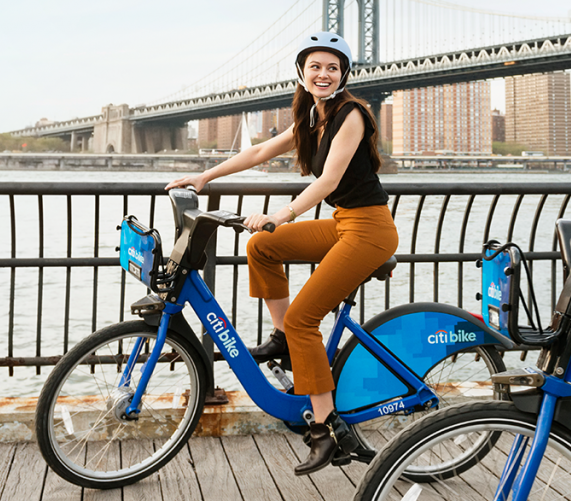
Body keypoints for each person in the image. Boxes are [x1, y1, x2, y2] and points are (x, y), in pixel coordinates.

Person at [166, 31, 399, 476]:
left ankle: (327, 429)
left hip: (370, 230)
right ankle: (286, 344)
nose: (323, 74)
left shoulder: (351, 115)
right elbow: (257, 150)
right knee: (262, 246)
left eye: (332, 67)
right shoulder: (313, 116)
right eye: (315, 66)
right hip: (343, 223)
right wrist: (204, 177)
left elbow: (328, 181)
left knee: (303, 318)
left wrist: (283, 213)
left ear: (344, 75)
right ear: (302, 73)